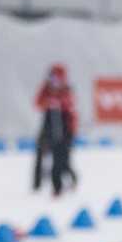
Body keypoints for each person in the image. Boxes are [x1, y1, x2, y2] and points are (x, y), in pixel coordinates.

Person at [33, 64, 77, 196]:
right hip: (48, 128)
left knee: (61, 160)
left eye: (57, 79)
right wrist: (49, 102)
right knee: (40, 154)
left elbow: (70, 105)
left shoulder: (67, 90)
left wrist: (59, 103)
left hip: (65, 130)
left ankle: (61, 186)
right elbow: (38, 102)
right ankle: (36, 185)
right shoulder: (46, 88)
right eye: (52, 78)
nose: (54, 82)